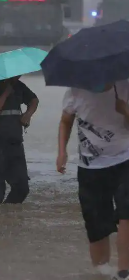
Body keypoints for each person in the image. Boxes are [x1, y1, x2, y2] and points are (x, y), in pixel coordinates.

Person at [57, 80, 129, 280]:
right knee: (97, 224)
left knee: (127, 212)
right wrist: (62, 152)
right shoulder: (75, 90)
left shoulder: (125, 86)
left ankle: (124, 272)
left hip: (125, 159)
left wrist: (125, 110)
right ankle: (102, 272)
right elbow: (65, 121)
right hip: (91, 167)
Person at [0, 76, 39, 204]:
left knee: (21, 188)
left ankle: (9, 218)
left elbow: (34, 100)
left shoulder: (18, 85)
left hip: (14, 143)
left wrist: (27, 115)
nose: (19, 76)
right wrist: (6, 92)